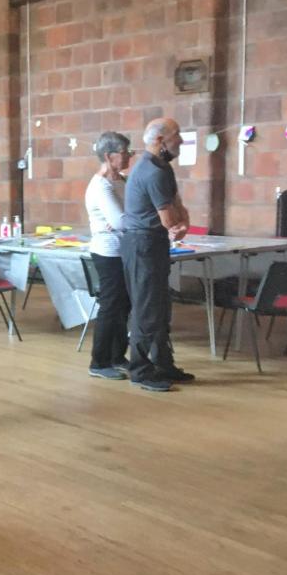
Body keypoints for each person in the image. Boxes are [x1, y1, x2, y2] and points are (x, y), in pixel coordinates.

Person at [120, 117, 194, 392]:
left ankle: (164, 363)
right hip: (143, 245)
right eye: (177, 136)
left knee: (160, 307)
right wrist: (179, 221)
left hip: (151, 244)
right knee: (146, 309)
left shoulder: (162, 168)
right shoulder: (153, 171)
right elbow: (170, 219)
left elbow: (178, 207)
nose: (181, 141)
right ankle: (140, 369)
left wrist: (181, 220)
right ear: (160, 140)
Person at [84, 131, 133, 380]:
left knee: (124, 306)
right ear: (108, 155)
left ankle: (117, 356)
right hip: (108, 252)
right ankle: (99, 361)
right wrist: (133, 220)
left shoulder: (121, 181)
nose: (129, 156)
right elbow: (120, 220)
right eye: (125, 152)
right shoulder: (101, 185)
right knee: (111, 306)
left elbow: (131, 213)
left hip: (123, 251)